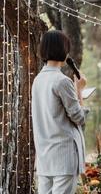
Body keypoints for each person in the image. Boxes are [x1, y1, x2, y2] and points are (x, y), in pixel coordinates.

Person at [32, 30, 88, 194]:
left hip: (44, 156)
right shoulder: (62, 81)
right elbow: (79, 117)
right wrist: (79, 90)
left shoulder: (38, 80)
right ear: (63, 50)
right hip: (64, 157)